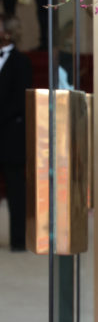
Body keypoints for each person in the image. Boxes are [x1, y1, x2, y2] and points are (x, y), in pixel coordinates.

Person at [0, 14, 32, 252]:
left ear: (8, 33)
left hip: (10, 135)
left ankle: (19, 240)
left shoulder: (22, 62)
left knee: (15, 190)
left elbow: (21, 100)